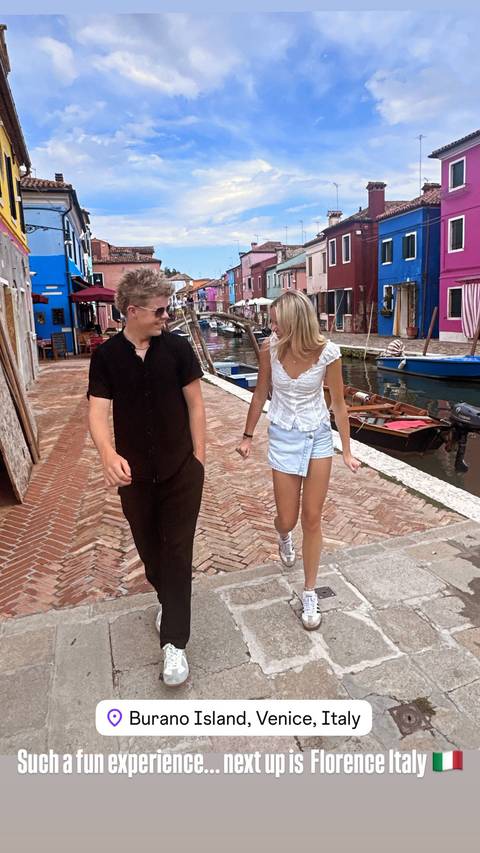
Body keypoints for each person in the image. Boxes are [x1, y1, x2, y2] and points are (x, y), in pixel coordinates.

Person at [87, 269, 206, 686]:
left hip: (181, 472)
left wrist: (199, 458)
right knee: (150, 552)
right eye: (159, 310)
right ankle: (167, 599)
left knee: (177, 553)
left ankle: (174, 643)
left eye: (168, 308)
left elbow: (196, 405)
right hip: (134, 477)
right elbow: (98, 412)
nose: (166, 317)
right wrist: (107, 454)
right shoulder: (105, 358)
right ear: (132, 311)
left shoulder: (177, 350)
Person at [236, 290, 360, 630]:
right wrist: (247, 436)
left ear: (293, 322)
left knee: (312, 517)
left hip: (317, 436)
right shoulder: (269, 349)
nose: (269, 327)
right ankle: (283, 536)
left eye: (275, 322)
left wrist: (346, 450)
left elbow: (338, 404)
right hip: (283, 436)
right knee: (288, 519)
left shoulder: (328, 353)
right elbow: (260, 392)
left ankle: (309, 591)